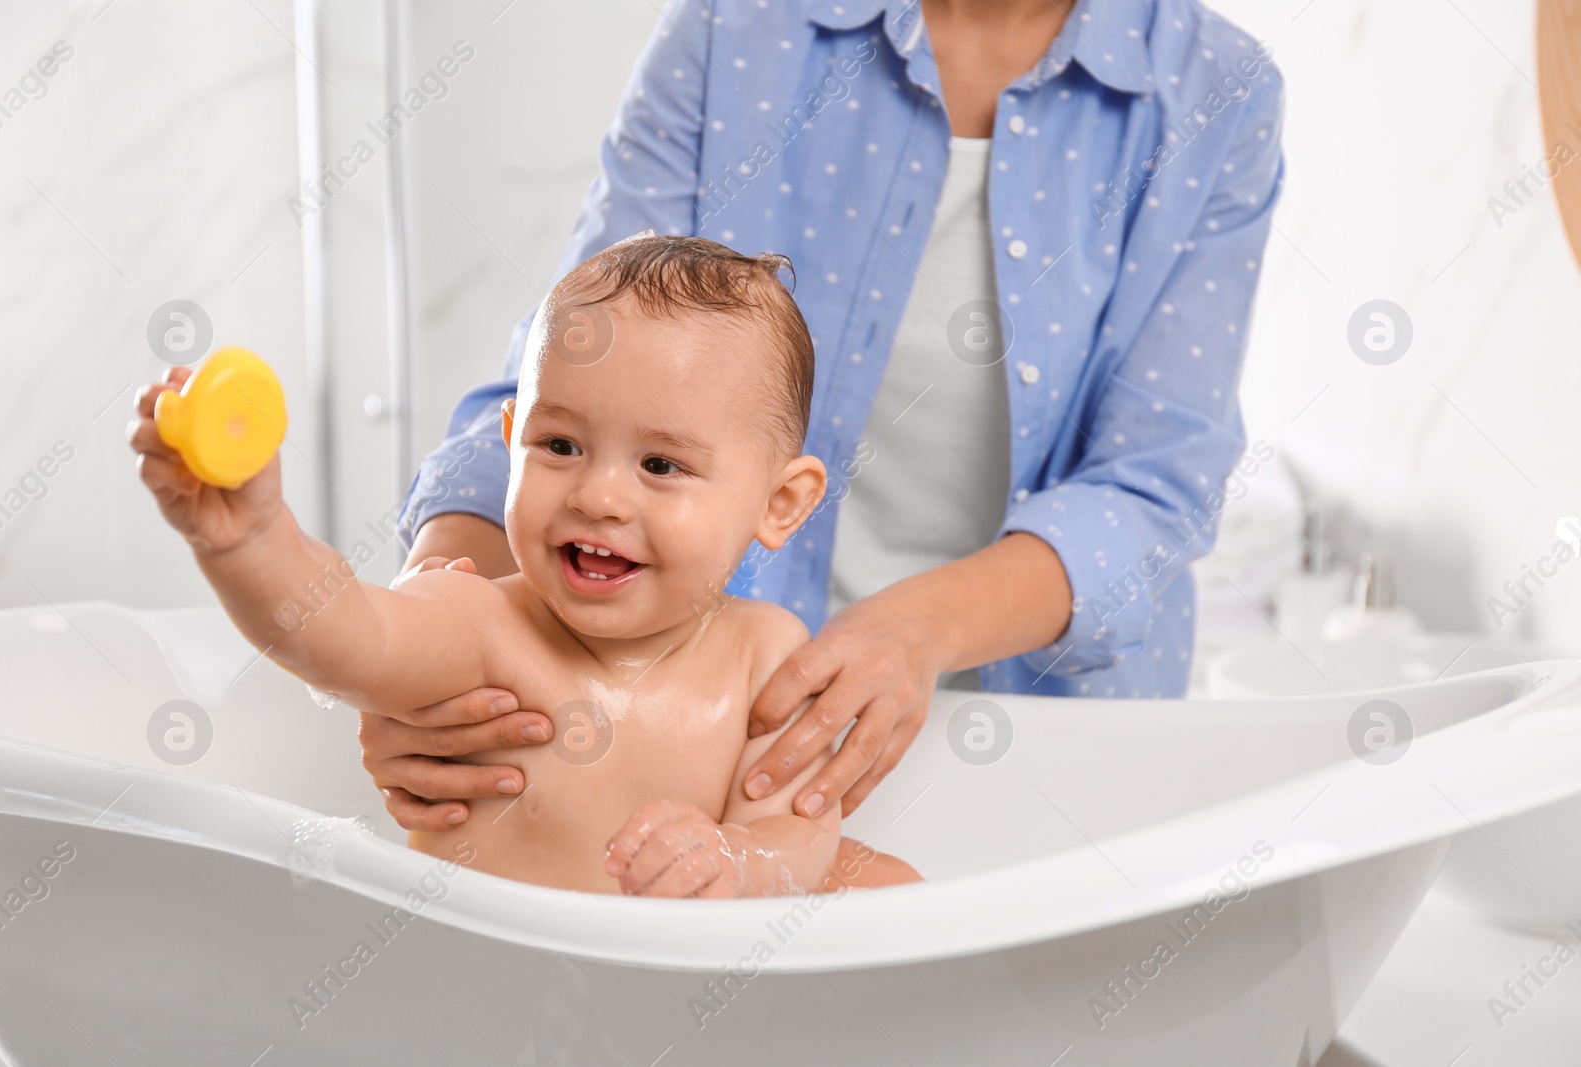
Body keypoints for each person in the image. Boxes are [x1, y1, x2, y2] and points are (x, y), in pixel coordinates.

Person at [362, 0, 1286, 835]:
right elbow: (571, 370)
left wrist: (918, 627)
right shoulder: (738, 25)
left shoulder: (1215, 90)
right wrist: (427, 645)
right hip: (701, 722)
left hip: (1043, 738)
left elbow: (1154, 482)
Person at [128, 234, 919, 897]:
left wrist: (737, 862)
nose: (600, 495)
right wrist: (249, 537)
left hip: (667, 1011)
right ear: (510, 440)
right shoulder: (479, 625)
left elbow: (794, 829)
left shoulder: (763, 659)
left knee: (894, 886)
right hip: (496, 1002)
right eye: (561, 445)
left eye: (661, 465)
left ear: (779, 504)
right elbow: (339, 633)